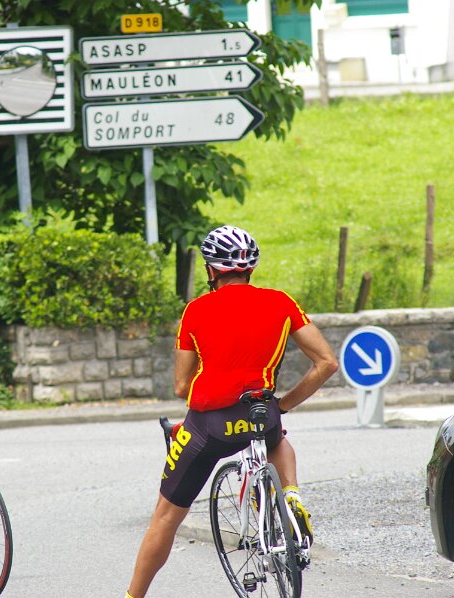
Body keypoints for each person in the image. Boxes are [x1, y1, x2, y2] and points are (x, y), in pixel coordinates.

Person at [125, 225, 339, 598]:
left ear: (211, 270)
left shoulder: (196, 311)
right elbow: (327, 363)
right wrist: (283, 404)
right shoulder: (281, 303)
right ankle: (290, 494)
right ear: (250, 268)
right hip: (262, 414)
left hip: (210, 425)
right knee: (277, 439)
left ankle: (133, 596)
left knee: (165, 517)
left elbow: (181, 386)